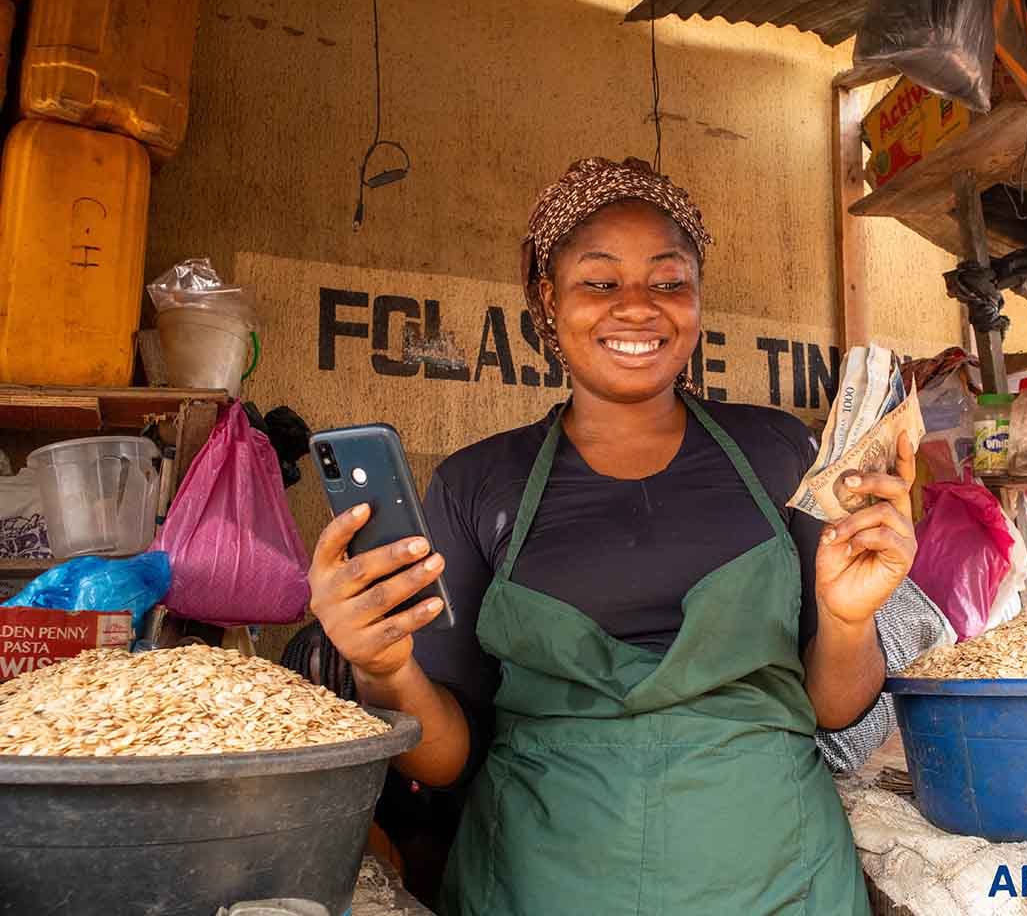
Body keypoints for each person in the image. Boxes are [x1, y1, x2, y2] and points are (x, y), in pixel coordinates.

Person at [309, 157, 918, 915]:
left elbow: (834, 707)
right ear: (547, 298)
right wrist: (381, 670)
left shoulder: (777, 453)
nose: (638, 308)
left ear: (697, 299)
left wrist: (851, 617)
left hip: (777, 876)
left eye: (669, 282)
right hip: (542, 880)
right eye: (600, 282)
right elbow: (445, 758)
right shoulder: (476, 483)